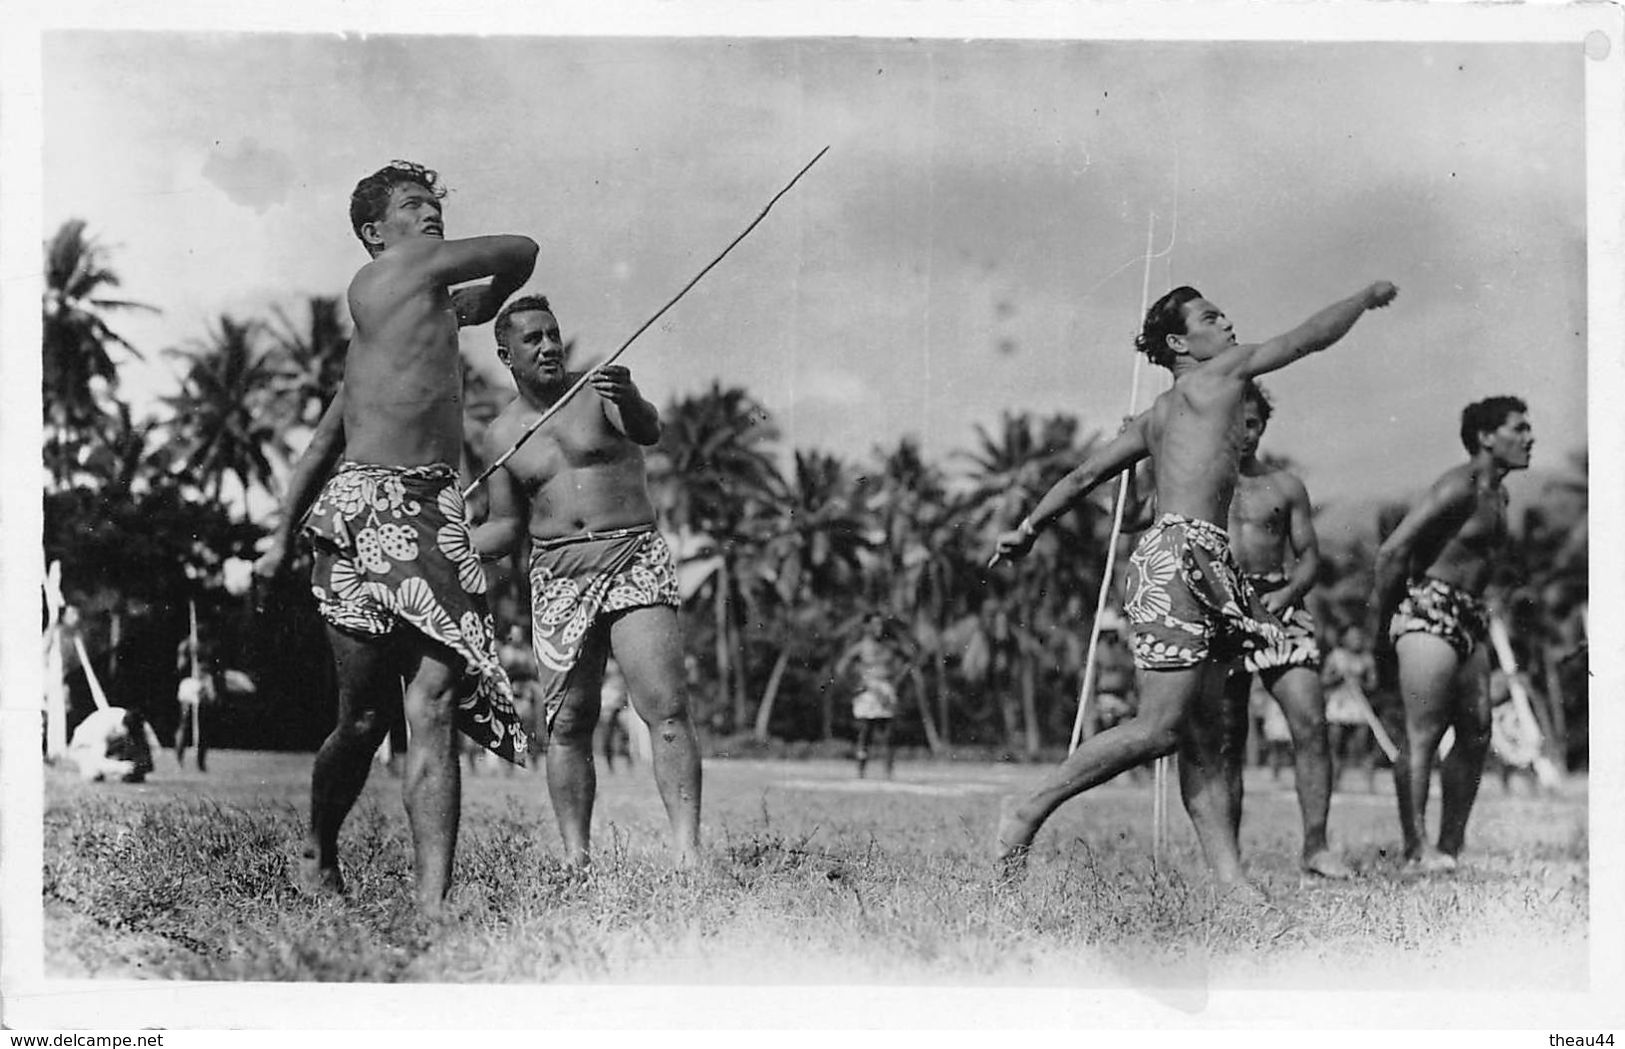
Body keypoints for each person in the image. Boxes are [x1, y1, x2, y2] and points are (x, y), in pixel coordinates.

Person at [991, 279, 1397, 895]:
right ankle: (1027, 811)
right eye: (1212, 316)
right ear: (1181, 341)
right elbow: (1307, 338)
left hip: (1199, 558)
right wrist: (1363, 300)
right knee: (1161, 728)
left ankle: (1233, 885)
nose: (1228, 323)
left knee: (1205, 732)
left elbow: (1084, 474)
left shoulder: (1157, 417)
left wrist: (1028, 528)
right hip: (1181, 555)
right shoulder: (1225, 373)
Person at [253, 161, 538, 908]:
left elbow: (318, 441)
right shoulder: (383, 276)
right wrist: (284, 541)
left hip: (436, 512)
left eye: (436, 205)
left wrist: (280, 533)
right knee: (366, 717)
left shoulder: (410, 321)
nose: (433, 214)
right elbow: (521, 249)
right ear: (376, 233)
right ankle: (318, 846)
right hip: (365, 511)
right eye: (416, 206)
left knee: (435, 703)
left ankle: (432, 901)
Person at [471, 294, 702, 870]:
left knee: (664, 706)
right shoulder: (501, 437)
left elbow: (648, 429)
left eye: (553, 334)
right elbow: (504, 527)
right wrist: (444, 541)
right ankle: (576, 859)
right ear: (507, 356)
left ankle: (687, 854)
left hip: (631, 555)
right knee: (568, 722)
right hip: (557, 573)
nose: (549, 346)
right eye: (533, 340)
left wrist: (631, 398)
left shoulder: (601, 392)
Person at [1370, 395, 1533, 873]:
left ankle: (1449, 848)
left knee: (1478, 731)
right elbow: (1393, 550)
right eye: (1518, 428)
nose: (1530, 438)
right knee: (1424, 734)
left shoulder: (1498, 494)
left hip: (1469, 617)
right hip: (1428, 609)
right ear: (1486, 437)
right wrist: (1379, 630)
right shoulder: (1460, 484)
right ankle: (1416, 850)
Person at [1220, 382, 1352, 878]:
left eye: (1254, 423)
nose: (1246, 433)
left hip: (1280, 606)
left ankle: (1316, 846)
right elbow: (1128, 519)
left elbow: (1310, 556)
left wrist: (1289, 594)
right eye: (1236, 422)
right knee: (1227, 737)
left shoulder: (1284, 487)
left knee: (1311, 722)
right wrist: (1137, 465)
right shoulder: (1197, 483)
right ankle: (1227, 858)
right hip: (1221, 609)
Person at [1321, 623, 1382, 792]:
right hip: (1338, 707)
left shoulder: (1366, 659)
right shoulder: (1336, 656)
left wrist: (1360, 682)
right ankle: (1334, 784)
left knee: (1363, 746)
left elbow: (1374, 684)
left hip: (1359, 707)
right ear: (1344, 638)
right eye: (1353, 637)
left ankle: (1370, 785)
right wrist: (1338, 678)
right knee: (1335, 746)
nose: (1356, 640)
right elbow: (1324, 681)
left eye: (1359, 637)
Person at [838, 614, 901, 779]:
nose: (879, 628)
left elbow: (911, 659)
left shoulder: (891, 647)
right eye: (875, 624)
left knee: (889, 733)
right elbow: (841, 667)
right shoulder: (860, 647)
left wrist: (896, 682)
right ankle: (861, 770)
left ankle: (888, 771)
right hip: (868, 689)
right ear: (867, 627)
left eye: (881, 624)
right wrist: (855, 685)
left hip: (886, 689)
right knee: (866, 731)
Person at [68, 707, 162, 784]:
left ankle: (133, 773)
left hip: (112, 742)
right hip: (84, 746)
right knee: (92, 775)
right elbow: (97, 761)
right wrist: (120, 767)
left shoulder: (137, 721)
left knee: (132, 744)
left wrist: (142, 763)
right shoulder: (103, 727)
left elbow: (154, 746)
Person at [173, 665, 212, 773]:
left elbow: (211, 697)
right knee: (184, 730)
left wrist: (204, 692)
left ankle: (201, 763)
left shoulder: (207, 681)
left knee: (202, 734)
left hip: (201, 707)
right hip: (189, 704)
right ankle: (179, 761)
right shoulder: (187, 682)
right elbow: (183, 698)